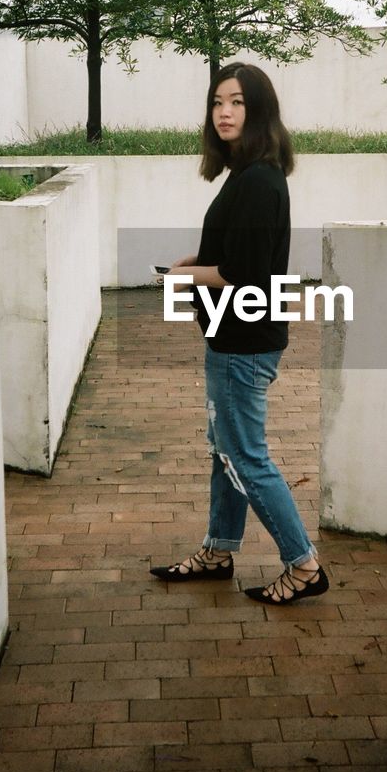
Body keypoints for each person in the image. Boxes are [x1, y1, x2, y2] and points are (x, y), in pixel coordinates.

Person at [149, 62, 329, 605]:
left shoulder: (257, 181)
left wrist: (186, 275)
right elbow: (240, 257)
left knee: (245, 455)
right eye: (217, 102)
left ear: (259, 112)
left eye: (237, 103)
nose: (224, 112)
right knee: (225, 450)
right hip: (239, 336)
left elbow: (243, 275)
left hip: (243, 342)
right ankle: (219, 549)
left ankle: (303, 566)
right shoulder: (251, 175)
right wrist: (200, 259)